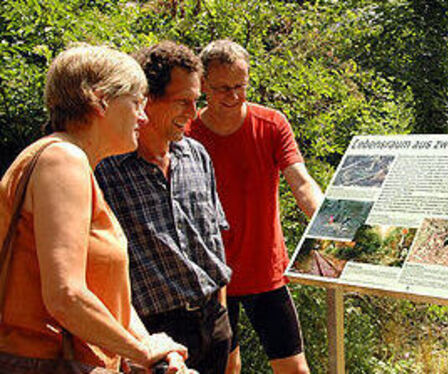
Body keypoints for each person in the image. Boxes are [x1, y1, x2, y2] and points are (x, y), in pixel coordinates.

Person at [0, 44, 190, 372]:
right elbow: (67, 296)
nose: (142, 117)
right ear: (100, 100)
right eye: (136, 104)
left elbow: (102, 294)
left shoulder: (72, 163)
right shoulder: (62, 160)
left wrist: (150, 348)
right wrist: (141, 352)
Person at [186, 39, 324, 374]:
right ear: (203, 85)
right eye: (222, 88)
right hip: (212, 276)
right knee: (227, 367)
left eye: (240, 86)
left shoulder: (272, 124)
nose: (233, 96)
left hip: (265, 271)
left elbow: (301, 183)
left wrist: (328, 226)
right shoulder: (187, 133)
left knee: (294, 367)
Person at [95, 41, 233, 374]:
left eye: (196, 101)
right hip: (154, 334)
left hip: (214, 322)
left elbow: (214, 239)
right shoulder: (106, 168)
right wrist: (129, 346)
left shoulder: (197, 155)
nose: (192, 112)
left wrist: (222, 318)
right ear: (148, 100)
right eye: (182, 101)